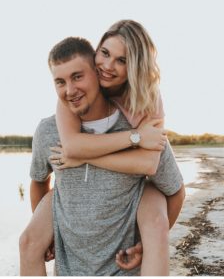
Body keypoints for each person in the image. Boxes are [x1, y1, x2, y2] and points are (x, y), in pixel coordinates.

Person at [19, 35, 184, 275]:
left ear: (98, 74)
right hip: (69, 270)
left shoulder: (139, 128)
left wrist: (145, 245)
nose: (70, 90)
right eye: (60, 82)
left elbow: (175, 189)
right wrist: (50, 233)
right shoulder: (48, 131)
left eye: (77, 77)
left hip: (122, 269)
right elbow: (38, 181)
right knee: (27, 242)